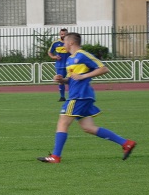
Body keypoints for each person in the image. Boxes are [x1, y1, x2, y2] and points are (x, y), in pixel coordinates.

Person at [38, 32, 135, 163]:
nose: (63, 44)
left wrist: (84, 76)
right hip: (80, 95)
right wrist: (62, 80)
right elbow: (72, 79)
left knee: (62, 122)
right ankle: (126, 143)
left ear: (71, 42)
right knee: (88, 127)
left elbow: (104, 69)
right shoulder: (70, 59)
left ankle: (55, 156)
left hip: (79, 96)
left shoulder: (83, 55)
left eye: (64, 42)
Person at [48, 28, 69, 102]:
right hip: (60, 65)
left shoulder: (70, 42)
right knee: (60, 80)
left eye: (64, 34)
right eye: (62, 34)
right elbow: (49, 52)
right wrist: (54, 57)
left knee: (73, 80)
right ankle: (62, 97)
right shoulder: (55, 43)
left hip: (70, 65)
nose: (63, 35)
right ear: (60, 34)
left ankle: (73, 96)